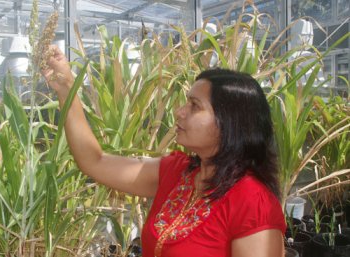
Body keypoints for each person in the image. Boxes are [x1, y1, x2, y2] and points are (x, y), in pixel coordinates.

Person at [42, 45, 286, 257]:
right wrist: (67, 91)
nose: (180, 111)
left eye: (194, 105)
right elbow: (94, 161)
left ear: (229, 123)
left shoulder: (254, 202)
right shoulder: (178, 173)